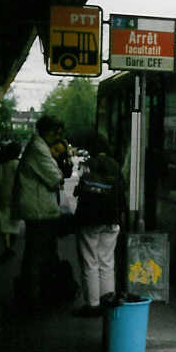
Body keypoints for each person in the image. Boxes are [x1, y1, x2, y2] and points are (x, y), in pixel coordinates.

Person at [14, 115, 66, 310]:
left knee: (37, 253)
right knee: (38, 254)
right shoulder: (38, 148)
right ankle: (34, 297)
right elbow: (55, 178)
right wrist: (59, 173)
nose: (58, 137)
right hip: (39, 210)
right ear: (48, 131)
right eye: (57, 132)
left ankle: (36, 294)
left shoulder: (39, 146)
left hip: (40, 208)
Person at [72, 135, 125, 317]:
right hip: (112, 218)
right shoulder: (115, 165)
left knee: (90, 261)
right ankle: (107, 301)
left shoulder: (90, 164)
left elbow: (80, 190)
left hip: (90, 219)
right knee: (107, 261)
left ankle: (93, 304)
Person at [0, 141, 22, 259]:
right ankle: (10, 246)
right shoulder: (18, 164)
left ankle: (7, 247)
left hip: (2, 196)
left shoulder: (2, 165)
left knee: (4, 222)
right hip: (15, 196)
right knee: (14, 222)